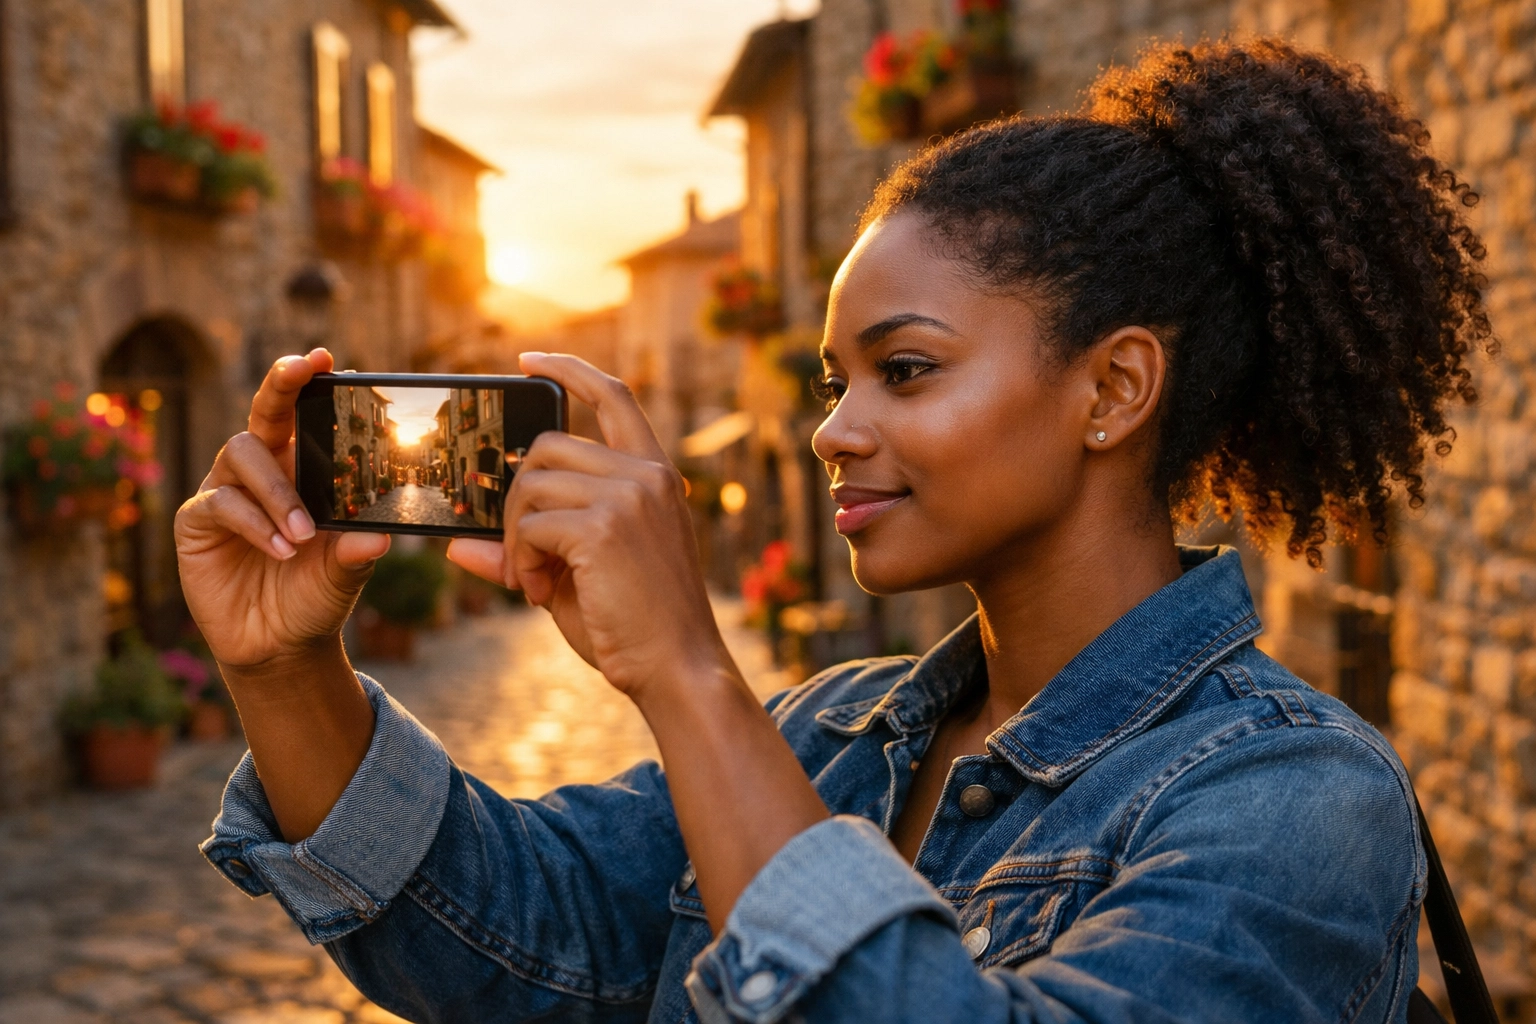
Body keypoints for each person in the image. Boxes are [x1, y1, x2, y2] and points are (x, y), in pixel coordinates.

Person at [177, 41, 1491, 1024]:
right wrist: (286, 669)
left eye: (906, 371)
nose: (833, 431)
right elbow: (514, 939)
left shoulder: (1294, 793)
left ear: (1114, 390)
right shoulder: (829, 734)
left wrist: (691, 674)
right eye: (833, 381)